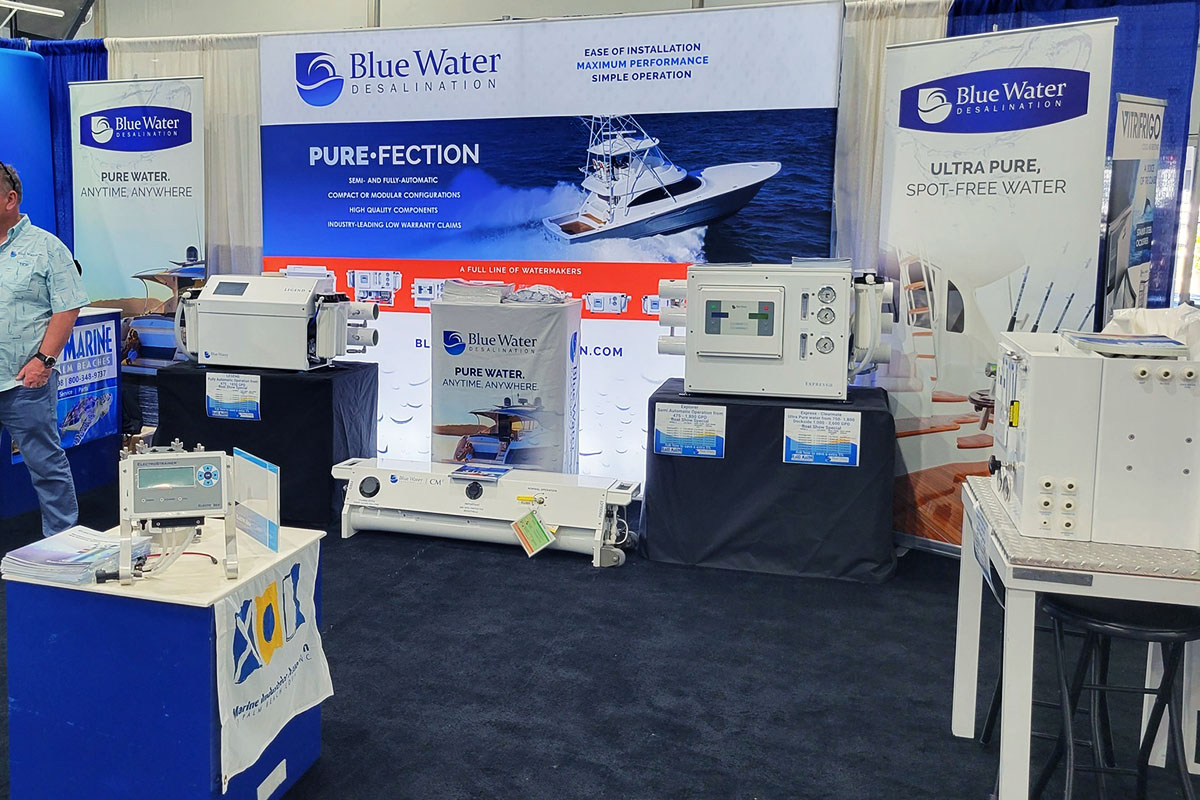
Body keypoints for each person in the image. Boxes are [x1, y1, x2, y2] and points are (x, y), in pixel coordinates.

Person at [0, 162, 90, 536]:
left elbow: (68, 307)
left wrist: (44, 361)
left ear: (10, 199)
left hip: (24, 382)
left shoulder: (47, 248)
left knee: (46, 466)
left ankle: (63, 545)